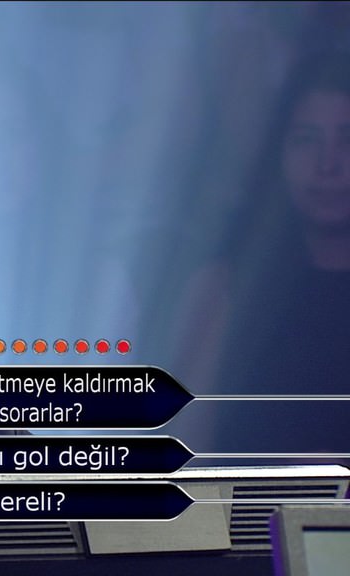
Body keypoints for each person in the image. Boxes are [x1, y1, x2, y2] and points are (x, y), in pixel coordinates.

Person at [168, 52, 350, 459]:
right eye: (306, 139)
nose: (327, 165)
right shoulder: (225, 288)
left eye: (347, 140)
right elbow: (186, 446)